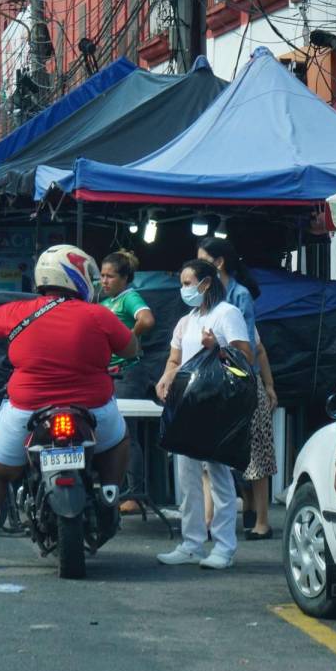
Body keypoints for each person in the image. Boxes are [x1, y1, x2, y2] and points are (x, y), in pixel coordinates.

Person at [0, 244, 139, 569]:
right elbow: (130, 348)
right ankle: (111, 491)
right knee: (118, 440)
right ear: (79, 278)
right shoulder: (99, 315)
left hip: (27, 409)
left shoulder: (19, 311)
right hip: (93, 409)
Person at [155, 259, 254, 571]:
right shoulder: (186, 321)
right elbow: (174, 359)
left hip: (217, 405)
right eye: (182, 283)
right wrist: (166, 377)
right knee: (187, 478)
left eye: (188, 283)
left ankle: (224, 547)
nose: (184, 289)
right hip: (187, 406)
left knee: (219, 476)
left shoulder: (228, 313)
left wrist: (218, 346)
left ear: (206, 283)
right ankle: (191, 543)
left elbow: (245, 358)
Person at [197, 238, 278, 540]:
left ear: (218, 263)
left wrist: (266, 384)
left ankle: (261, 521)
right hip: (213, 379)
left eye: (203, 259)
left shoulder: (238, 297)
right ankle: (210, 519)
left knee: (256, 452)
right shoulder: (205, 297)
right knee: (210, 455)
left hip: (238, 378)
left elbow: (249, 346)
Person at [98, 249, 156, 514]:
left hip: (127, 373)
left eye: (111, 276)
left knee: (127, 434)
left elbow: (146, 319)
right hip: (107, 374)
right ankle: (117, 489)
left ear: (125, 278)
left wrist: (128, 341)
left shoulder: (128, 298)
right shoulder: (107, 301)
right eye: (102, 275)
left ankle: (133, 494)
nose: (105, 281)